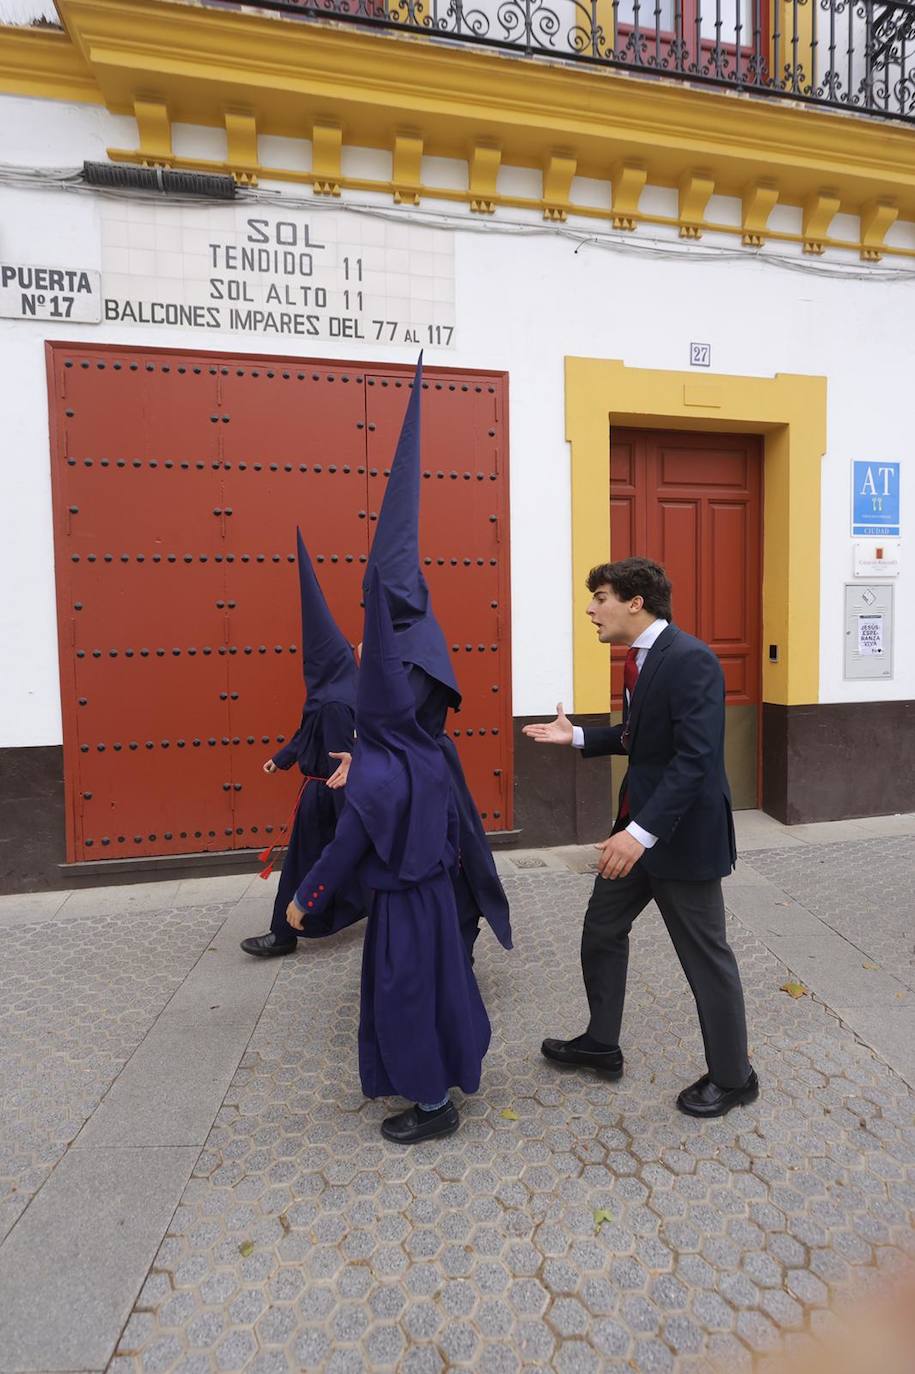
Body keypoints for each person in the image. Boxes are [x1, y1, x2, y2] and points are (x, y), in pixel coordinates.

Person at [523, 556, 757, 1118]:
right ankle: (601, 1043)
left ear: (635, 602)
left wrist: (641, 834)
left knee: (706, 958)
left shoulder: (691, 659)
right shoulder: (639, 659)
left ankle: (734, 1078)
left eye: (600, 598)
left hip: (678, 837)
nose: (590, 609)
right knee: (602, 931)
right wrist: (579, 737)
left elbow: (696, 759)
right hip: (635, 831)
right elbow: (639, 738)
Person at [287, 567, 492, 1143]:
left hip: (400, 907)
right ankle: (452, 1071)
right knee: (442, 987)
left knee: (404, 999)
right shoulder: (429, 756)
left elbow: (344, 848)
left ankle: (433, 1106)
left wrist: (305, 899)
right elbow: (450, 830)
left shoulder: (374, 775)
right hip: (436, 899)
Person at [359, 353, 512, 962]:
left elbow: (399, 717)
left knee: (446, 861)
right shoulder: (396, 638)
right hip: (398, 771)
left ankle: (454, 955)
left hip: (423, 773)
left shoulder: (418, 641)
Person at [240, 530, 364, 957]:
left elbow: (340, 759)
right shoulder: (328, 696)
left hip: (327, 796)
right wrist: (282, 758)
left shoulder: (335, 703)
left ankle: (283, 933)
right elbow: (305, 733)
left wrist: (344, 810)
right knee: (332, 860)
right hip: (321, 792)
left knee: (304, 864)